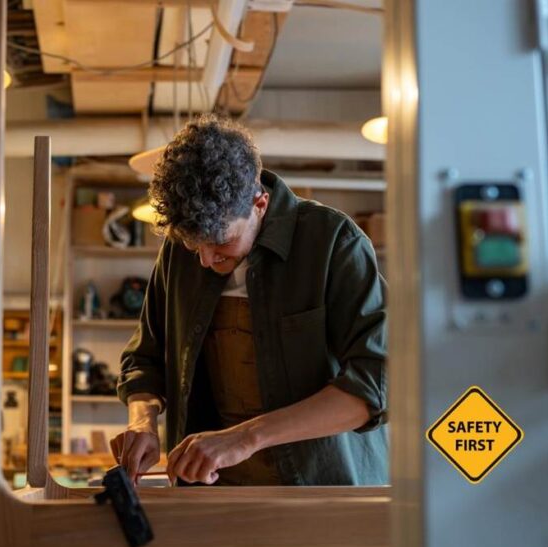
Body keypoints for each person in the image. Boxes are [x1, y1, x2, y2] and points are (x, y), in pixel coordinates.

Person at [112, 114, 387, 492]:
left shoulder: (333, 243)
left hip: (322, 493)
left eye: (222, 244)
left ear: (260, 203)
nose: (206, 261)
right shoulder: (180, 253)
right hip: (214, 500)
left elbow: (377, 383)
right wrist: (142, 422)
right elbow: (145, 358)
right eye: (196, 246)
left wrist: (245, 437)